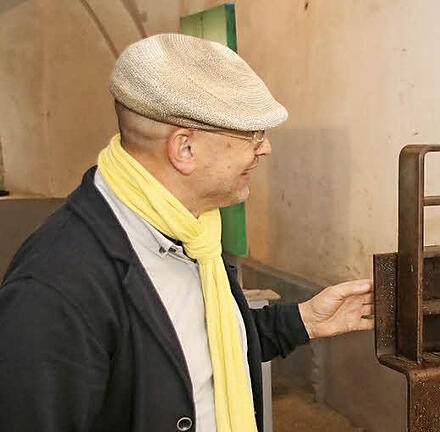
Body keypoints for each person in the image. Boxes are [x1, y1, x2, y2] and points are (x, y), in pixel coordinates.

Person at [0, 33, 373, 432]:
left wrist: (303, 321)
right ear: (185, 149)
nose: (264, 150)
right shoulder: (55, 291)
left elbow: (198, 346)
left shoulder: (194, 230)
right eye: (252, 135)